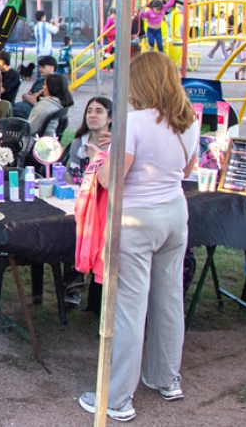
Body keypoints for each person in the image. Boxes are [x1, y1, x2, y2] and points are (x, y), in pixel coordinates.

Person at [78, 51, 200, 422]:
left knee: (130, 308)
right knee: (169, 299)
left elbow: (110, 179)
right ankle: (167, 378)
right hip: (174, 213)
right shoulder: (188, 119)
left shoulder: (134, 122)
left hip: (136, 218)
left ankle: (116, 397)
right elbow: (190, 167)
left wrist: (101, 157)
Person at [67, 96, 112, 172]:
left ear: (110, 118)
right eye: (89, 111)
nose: (92, 115)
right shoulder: (78, 143)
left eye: (99, 111)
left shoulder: (120, 143)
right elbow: (74, 177)